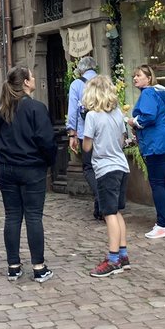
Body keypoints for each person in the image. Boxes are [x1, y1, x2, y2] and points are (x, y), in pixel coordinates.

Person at [0, 65, 57, 283]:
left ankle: (14, 266)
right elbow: (46, 140)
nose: (33, 79)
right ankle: (38, 267)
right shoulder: (36, 108)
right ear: (25, 82)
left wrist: (0, 155)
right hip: (32, 168)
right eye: (31, 77)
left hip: (8, 169)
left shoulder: (1, 107)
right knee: (34, 216)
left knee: (12, 216)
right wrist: (48, 161)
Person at [83, 76, 131, 276]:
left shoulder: (92, 116)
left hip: (105, 169)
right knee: (117, 212)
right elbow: (121, 141)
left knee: (109, 214)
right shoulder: (118, 114)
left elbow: (87, 146)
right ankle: (123, 254)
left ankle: (113, 260)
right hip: (122, 167)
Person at [126, 63, 165, 239]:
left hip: (156, 143)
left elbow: (148, 115)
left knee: (157, 183)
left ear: (149, 78)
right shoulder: (157, 92)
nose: (135, 78)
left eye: (139, 75)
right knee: (161, 183)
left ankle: (163, 224)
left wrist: (134, 122)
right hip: (163, 141)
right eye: (134, 75)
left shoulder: (148, 92)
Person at [66, 56, 101, 220]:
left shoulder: (77, 84)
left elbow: (73, 111)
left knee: (88, 168)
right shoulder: (103, 81)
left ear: (81, 69)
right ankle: (99, 208)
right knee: (102, 166)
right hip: (105, 132)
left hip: (85, 132)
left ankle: (101, 198)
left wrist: (72, 134)